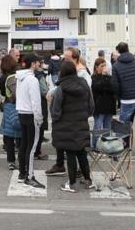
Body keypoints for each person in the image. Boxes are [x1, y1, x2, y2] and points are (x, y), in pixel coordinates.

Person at [52, 60, 93, 192]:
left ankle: (72, 183)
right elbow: (91, 106)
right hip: (81, 124)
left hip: (65, 126)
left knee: (70, 154)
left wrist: (57, 120)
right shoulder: (84, 83)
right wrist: (83, 116)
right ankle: (88, 180)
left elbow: (55, 111)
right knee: (82, 153)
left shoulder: (61, 88)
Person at [13, 54, 44, 188]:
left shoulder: (20, 77)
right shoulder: (33, 79)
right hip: (31, 114)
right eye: (38, 63)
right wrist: (39, 118)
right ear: (33, 64)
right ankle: (29, 176)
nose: (39, 65)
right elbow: (35, 101)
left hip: (21, 112)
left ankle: (22, 173)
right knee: (31, 147)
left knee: (24, 145)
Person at [0, 64, 22, 168]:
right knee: (18, 134)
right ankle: (19, 160)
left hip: (9, 105)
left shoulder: (9, 78)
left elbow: (4, 92)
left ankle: (11, 161)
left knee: (10, 135)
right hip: (17, 106)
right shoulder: (18, 78)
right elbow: (17, 94)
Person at [90, 57, 116, 145]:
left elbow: (113, 89)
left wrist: (106, 77)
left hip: (109, 105)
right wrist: (104, 77)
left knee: (107, 127)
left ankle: (106, 145)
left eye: (105, 65)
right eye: (101, 66)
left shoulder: (109, 77)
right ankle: (94, 145)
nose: (104, 68)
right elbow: (98, 88)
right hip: (99, 106)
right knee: (98, 127)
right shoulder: (93, 78)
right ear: (96, 67)